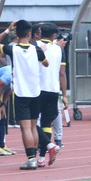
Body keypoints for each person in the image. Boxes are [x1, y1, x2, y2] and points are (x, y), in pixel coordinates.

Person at [0, 20, 49, 170]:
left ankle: (30, 160)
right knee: (33, 126)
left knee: (25, 128)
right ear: (30, 34)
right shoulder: (37, 50)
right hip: (35, 92)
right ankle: (34, 158)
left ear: (16, 34)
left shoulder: (12, 49)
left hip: (21, 93)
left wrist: (6, 31)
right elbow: (46, 63)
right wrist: (42, 53)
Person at [35, 23, 66, 167]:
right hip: (53, 89)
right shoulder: (58, 49)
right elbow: (61, 72)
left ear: (40, 32)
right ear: (54, 35)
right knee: (47, 123)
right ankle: (41, 157)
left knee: (30, 122)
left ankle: (48, 145)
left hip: (38, 89)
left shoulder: (35, 45)